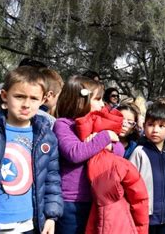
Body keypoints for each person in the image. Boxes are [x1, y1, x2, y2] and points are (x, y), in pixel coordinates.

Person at [0, 66, 63, 233]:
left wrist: (51, 216)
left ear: (43, 99)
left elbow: (51, 178)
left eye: (33, 98)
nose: (26, 104)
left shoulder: (47, 138)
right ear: (4, 96)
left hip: (27, 225)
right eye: (19, 96)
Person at [54, 76, 124, 234]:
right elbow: (75, 153)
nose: (102, 104)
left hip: (95, 198)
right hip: (71, 201)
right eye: (98, 99)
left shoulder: (96, 126)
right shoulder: (63, 125)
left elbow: (119, 151)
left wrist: (105, 141)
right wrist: (105, 137)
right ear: (80, 101)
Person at [75, 106, 149, 234]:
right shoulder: (96, 140)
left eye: (130, 122)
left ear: (134, 126)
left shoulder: (136, 148)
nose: (124, 124)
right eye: (122, 119)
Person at [129, 102, 165, 234]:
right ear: (144, 126)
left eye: (161, 126)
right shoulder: (139, 152)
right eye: (151, 125)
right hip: (144, 215)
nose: (155, 130)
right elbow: (129, 184)